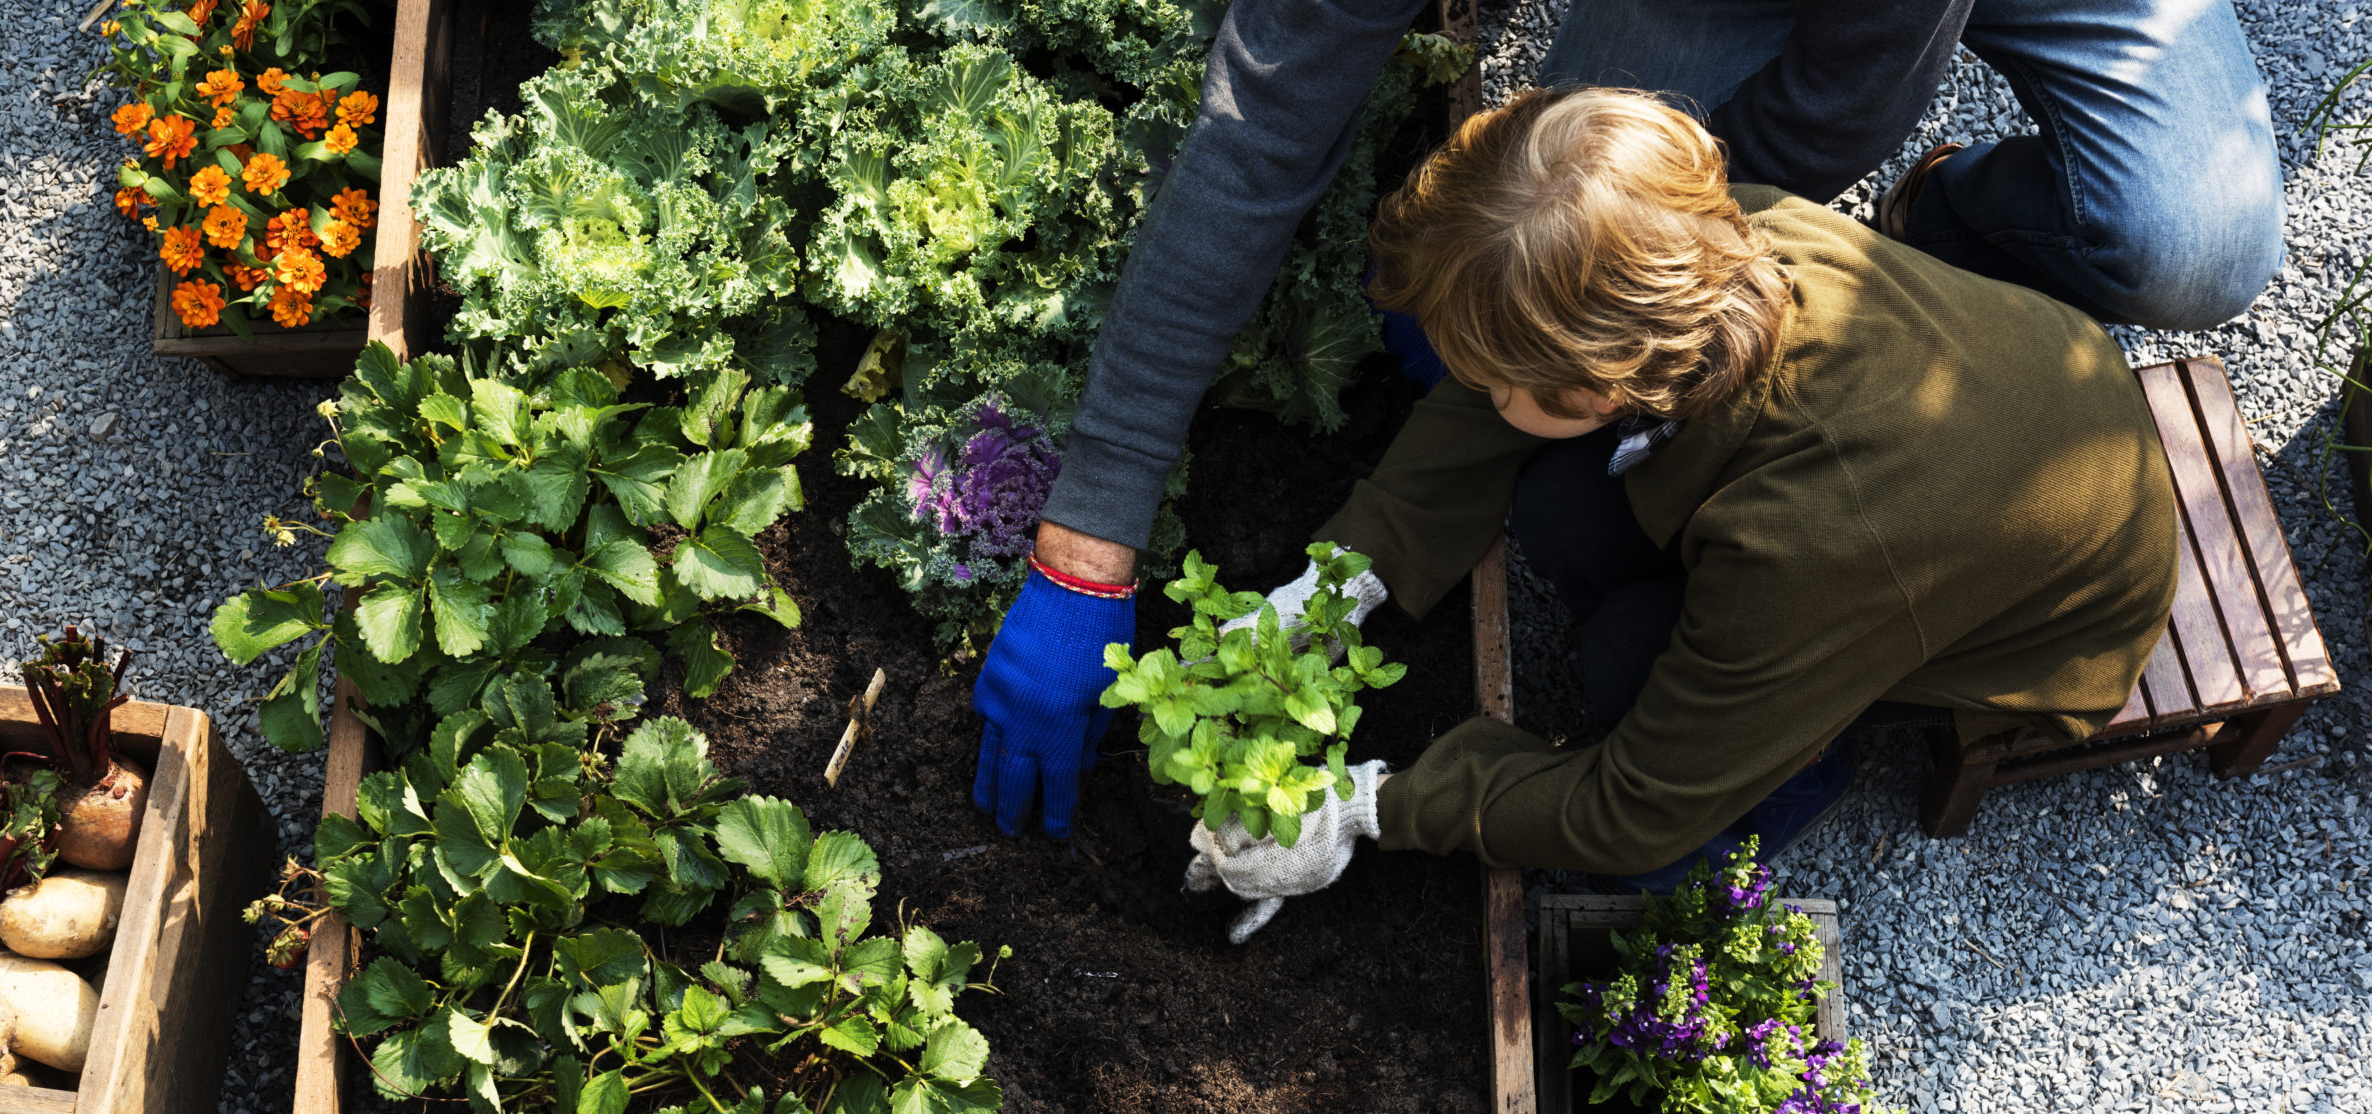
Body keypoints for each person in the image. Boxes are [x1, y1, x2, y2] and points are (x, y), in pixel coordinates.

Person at [969, 0, 2283, 841]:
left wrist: (1366, 807)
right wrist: (1338, 584)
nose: (1490, 393)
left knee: (1632, 680)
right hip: (1958, 418)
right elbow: (1497, 388)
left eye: (1519, 372)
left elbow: (1629, 811)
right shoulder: (1726, 237)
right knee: (1550, 505)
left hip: (2013, 605)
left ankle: (1805, 747)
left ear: (1607, 382)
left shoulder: (1818, 538)